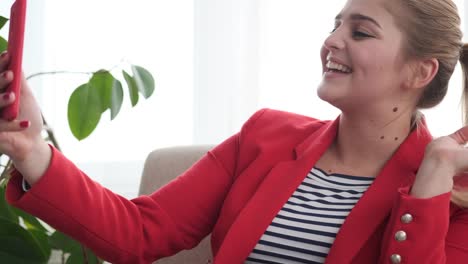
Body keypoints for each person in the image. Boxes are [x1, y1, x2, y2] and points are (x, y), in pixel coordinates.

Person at [1, 0, 468, 263]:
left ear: (419, 72)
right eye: (335, 25)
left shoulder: (451, 195)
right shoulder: (264, 136)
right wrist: (30, 149)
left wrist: (433, 179)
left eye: (360, 32)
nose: (331, 41)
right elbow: (139, 230)